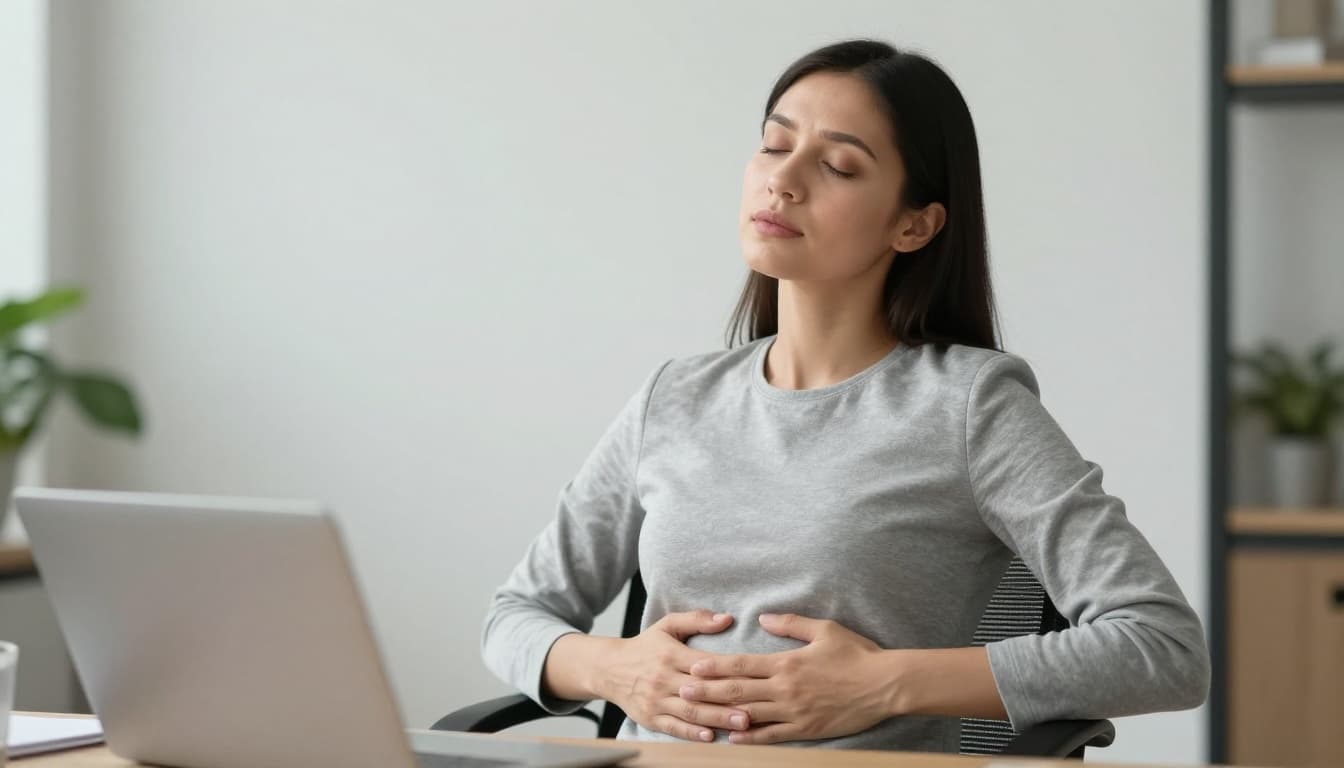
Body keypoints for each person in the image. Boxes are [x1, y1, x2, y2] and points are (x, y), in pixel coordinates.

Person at [480, 38, 1210, 753]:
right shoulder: (674, 398)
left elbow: (1163, 647)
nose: (784, 180)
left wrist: (884, 684)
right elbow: (514, 617)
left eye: (836, 165)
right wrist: (616, 668)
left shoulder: (969, 406)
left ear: (913, 224)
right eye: (774, 145)